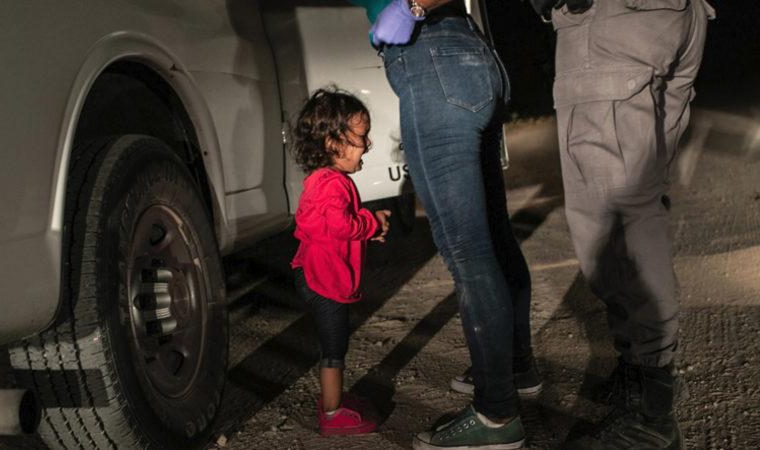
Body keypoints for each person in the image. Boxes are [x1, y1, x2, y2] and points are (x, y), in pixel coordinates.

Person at [525, 0, 715, 448]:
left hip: (615, 21)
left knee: (612, 218)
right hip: (672, 17)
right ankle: (646, 375)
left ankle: (650, 412)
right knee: (639, 201)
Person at [354, 1, 540, 448]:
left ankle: (496, 414)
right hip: (468, 55)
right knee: (492, 236)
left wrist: (412, 5)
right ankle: (514, 366)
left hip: (433, 58)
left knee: (468, 251)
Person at [290, 87, 391, 436]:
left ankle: (333, 400)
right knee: (334, 348)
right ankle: (332, 413)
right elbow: (339, 224)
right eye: (361, 137)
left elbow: (328, 225)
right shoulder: (332, 184)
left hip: (313, 274)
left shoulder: (323, 181)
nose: (367, 144)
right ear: (334, 144)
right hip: (324, 281)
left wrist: (366, 227)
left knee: (332, 344)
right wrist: (371, 222)